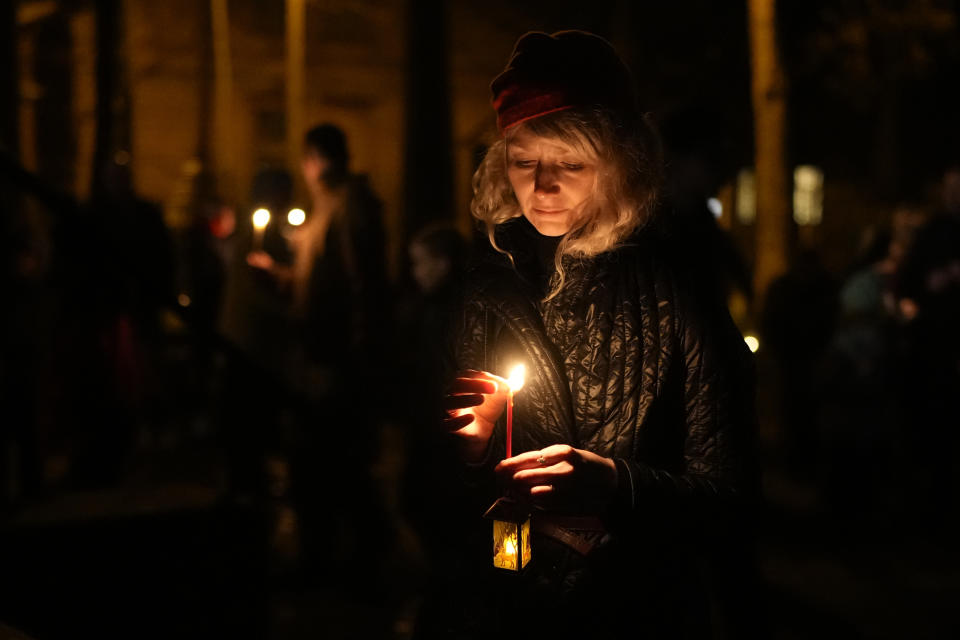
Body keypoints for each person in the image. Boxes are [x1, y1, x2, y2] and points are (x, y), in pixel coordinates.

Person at [430, 31, 760, 639]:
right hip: (506, 608)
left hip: (635, 610)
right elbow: (432, 498)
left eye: (571, 163)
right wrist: (471, 448)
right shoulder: (486, 288)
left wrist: (614, 481)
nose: (543, 186)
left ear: (620, 165)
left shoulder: (677, 291)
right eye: (524, 161)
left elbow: (732, 496)